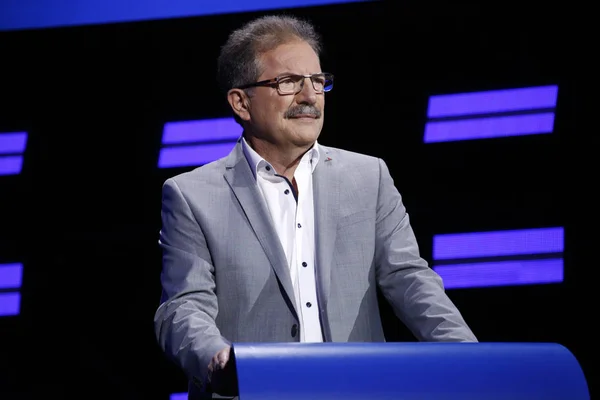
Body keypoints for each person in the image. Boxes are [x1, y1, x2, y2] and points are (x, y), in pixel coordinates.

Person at [154, 14, 478, 399]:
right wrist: (217, 359)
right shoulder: (192, 194)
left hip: (358, 390)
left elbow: (410, 279)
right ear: (241, 102)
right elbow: (183, 307)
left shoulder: (368, 176)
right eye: (288, 82)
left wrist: (470, 359)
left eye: (318, 82)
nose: (309, 96)